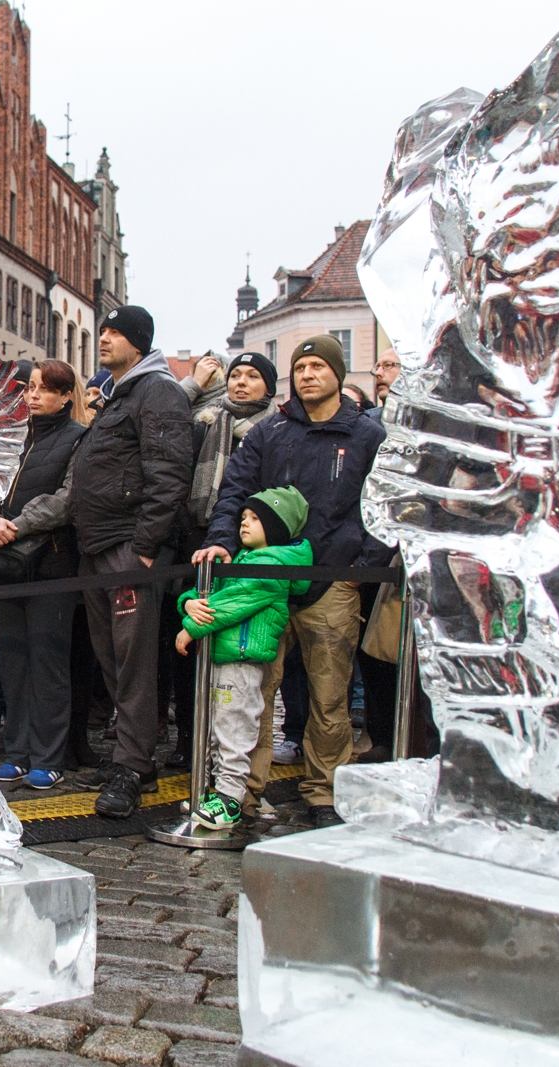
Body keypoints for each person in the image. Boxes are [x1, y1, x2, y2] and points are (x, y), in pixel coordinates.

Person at [194, 334, 390, 828]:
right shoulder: (271, 431)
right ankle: (245, 792)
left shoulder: (365, 435)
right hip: (265, 580)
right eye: (301, 367)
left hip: (332, 580)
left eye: (319, 366)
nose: (307, 374)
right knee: (257, 692)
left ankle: (324, 792)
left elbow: (383, 504)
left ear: (339, 375)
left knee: (329, 696)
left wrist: (361, 562)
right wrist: (223, 539)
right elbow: (234, 488)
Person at [70, 305, 193, 818]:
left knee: (134, 659)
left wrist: (144, 547)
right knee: (113, 659)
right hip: (99, 545)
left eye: (115, 332)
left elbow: (168, 473)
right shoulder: (121, 393)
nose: (104, 337)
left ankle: (132, 766)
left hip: (128, 547)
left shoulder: (157, 390)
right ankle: (133, 754)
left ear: (138, 344)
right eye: (103, 329)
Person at [176, 486, 313, 828]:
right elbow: (212, 592)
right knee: (214, 727)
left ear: (278, 526)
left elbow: (235, 600)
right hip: (223, 655)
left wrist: (191, 626)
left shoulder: (270, 566)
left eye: (256, 519)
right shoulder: (242, 559)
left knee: (234, 727)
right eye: (243, 518)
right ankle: (214, 790)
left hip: (242, 659)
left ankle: (230, 798)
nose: (244, 524)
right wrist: (187, 602)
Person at [167, 350, 278, 769]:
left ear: (268, 385)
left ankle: (232, 748)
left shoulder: (272, 430)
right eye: (236, 375)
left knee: (236, 653)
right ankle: (189, 738)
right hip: (197, 541)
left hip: (250, 549)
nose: (241, 383)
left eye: (252, 376)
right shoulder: (206, 420)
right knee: (189, 639)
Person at [0, 359, 89, 790]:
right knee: (12, 660)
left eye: (45, 389)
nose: (33, 395)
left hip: (52, 563)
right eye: (30, 388)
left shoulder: (79, 438)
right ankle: (18, 752)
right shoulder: (10, 438)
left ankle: (50, 756)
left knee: (47, 662)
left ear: (66, 396)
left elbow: (69, 497)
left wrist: (18, 524)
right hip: (3, 564)